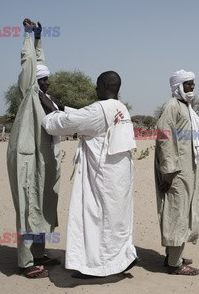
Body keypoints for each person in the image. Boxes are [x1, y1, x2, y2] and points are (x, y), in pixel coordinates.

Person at [42, 71, 139, 278]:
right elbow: (84, 116)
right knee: (116, 221)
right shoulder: (119, 108)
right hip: (120, 177)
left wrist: (51, 112)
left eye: (97, 85)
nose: (94, 89)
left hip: (102, 177)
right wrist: (63, 107)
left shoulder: (98, 110)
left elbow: (61, 125)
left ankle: (96, 267)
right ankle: (119, 260)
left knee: (96, 220)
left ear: (104, 86)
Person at [7, 18, 64, 279]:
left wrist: (40, 39)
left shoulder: (45, 98)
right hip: (26, 158)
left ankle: (39, 254)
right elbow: (30, 64)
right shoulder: (30, 91)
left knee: (42, 205)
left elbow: (39, 63)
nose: (48, 82)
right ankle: (25, 262)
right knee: (28, 207)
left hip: (43, 160)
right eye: (45, 80)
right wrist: (28, 37)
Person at [154, 69, 199, 276]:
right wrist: (168, 172)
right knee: (177, 213)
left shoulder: (186, 107)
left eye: (193, 83)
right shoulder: (172, 106)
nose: (191, 87)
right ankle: (175, 265)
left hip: (187, 168)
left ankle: (172, 256)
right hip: (175, 170)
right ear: (178, 86)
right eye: (187, 83)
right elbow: (164, 137)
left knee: (182, 211)